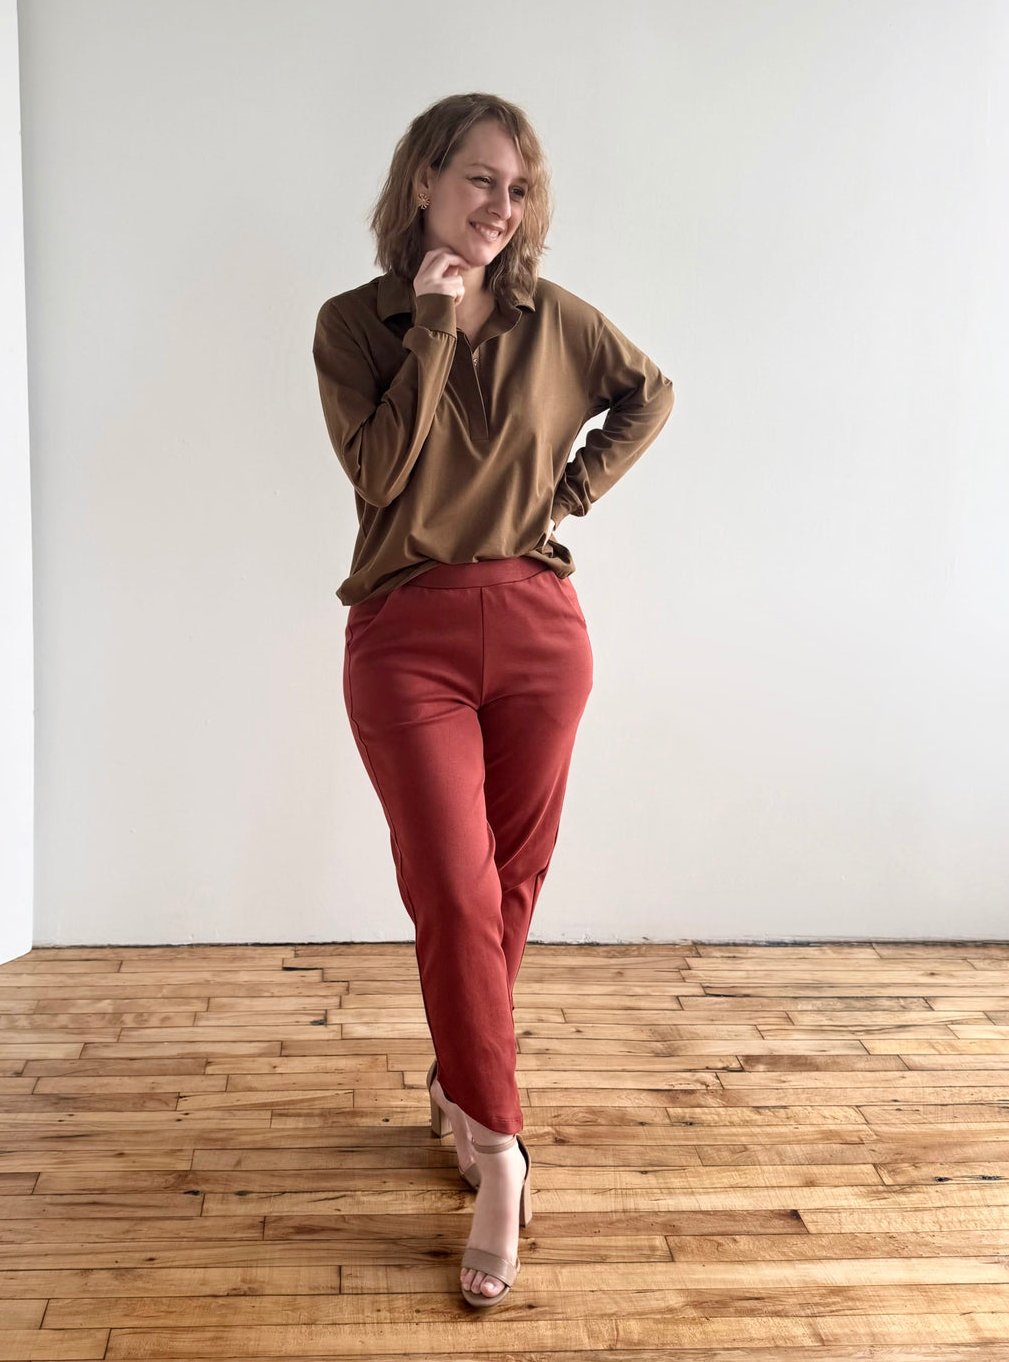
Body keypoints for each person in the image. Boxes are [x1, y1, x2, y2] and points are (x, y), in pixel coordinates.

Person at [311, 92, 674, 1309]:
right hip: (405, 634)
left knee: (511, 883)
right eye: (479, 180)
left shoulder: (555, 320)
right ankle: (503, 1154)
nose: (501, 207)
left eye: (519, 190)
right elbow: (379, 471)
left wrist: (572, 491)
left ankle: (461, 1087)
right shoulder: (354, 324)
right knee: (453, 889)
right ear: (423, 179)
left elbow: (651, 390)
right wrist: (431, 321)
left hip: (536, 627)